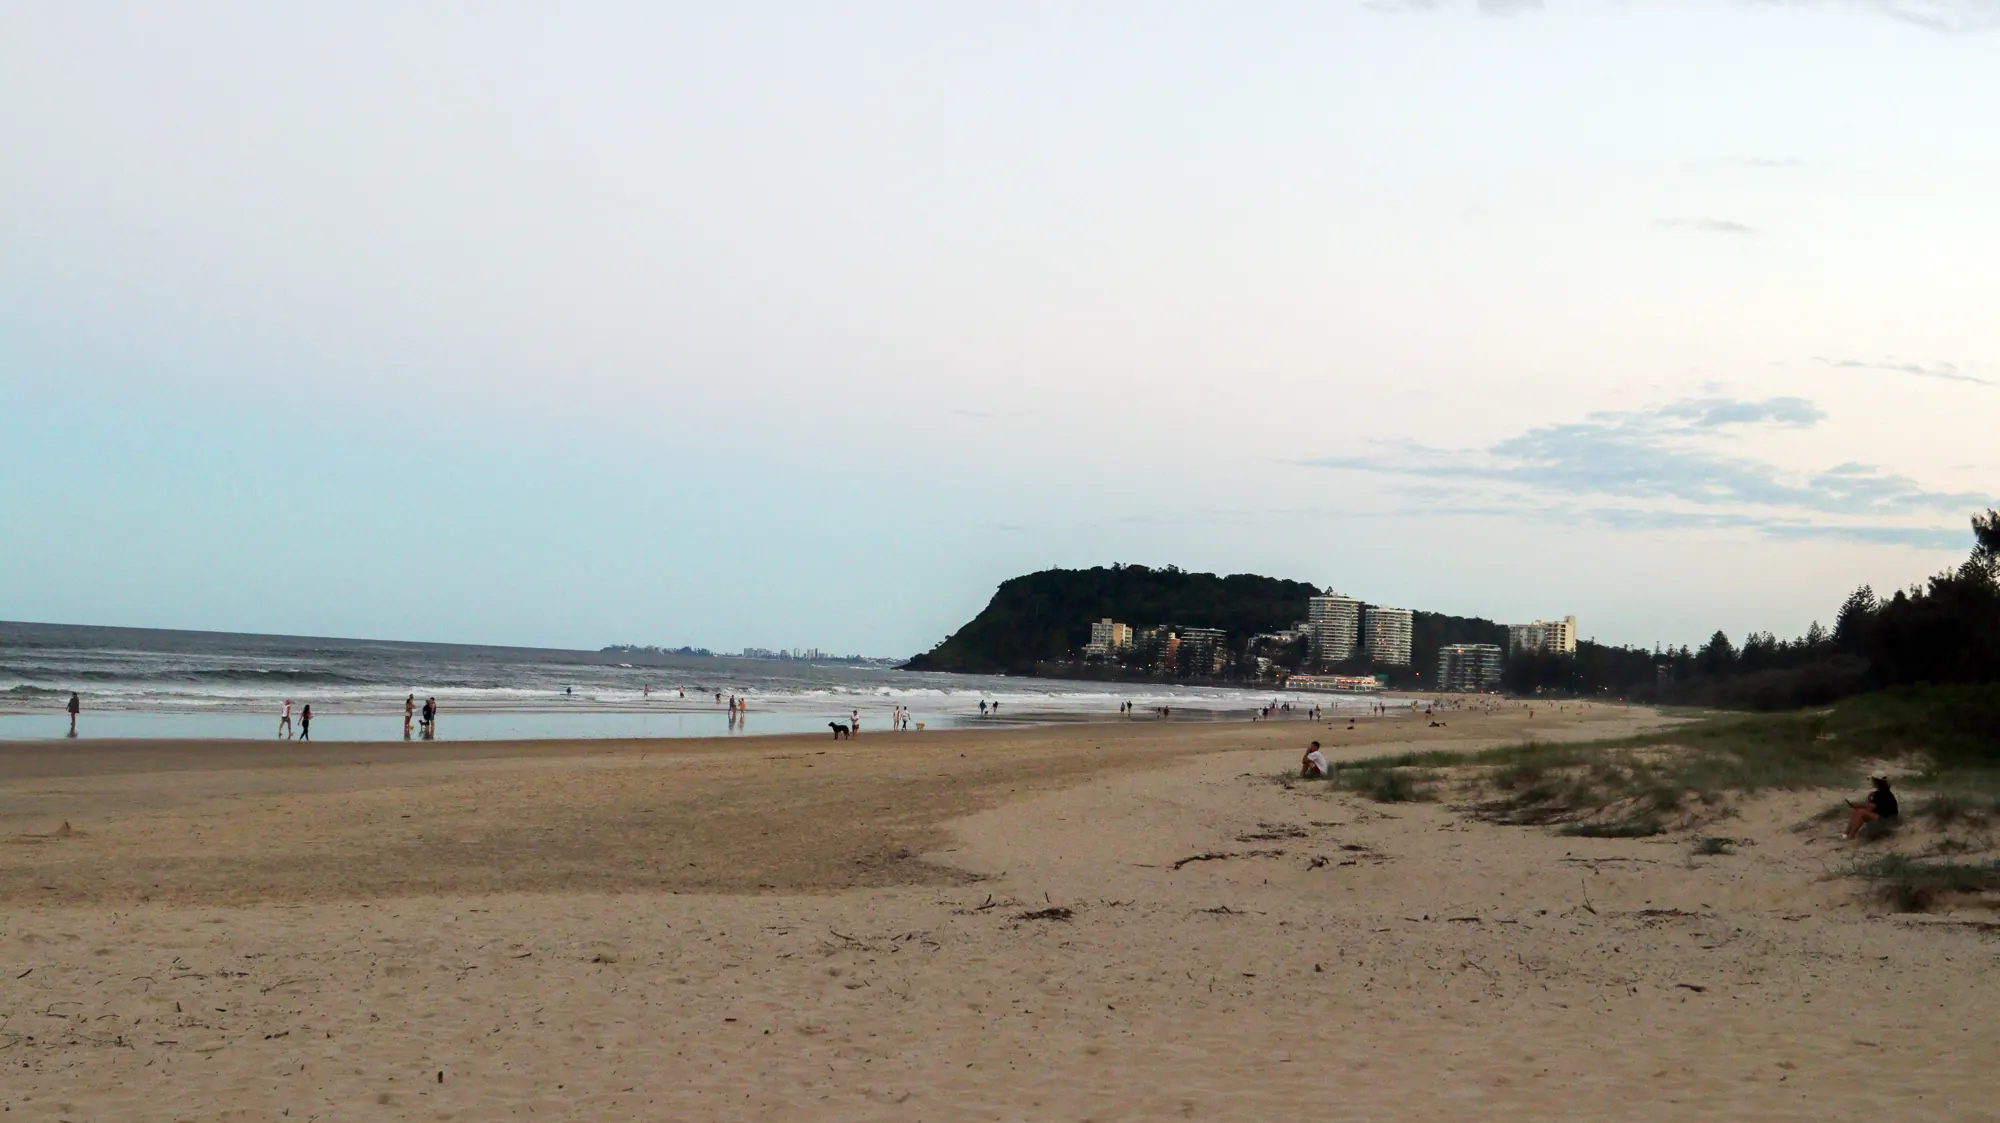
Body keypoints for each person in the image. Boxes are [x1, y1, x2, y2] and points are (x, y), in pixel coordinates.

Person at [1845, 773, 1899, 839]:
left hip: (1887, 821)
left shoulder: (1880, 794)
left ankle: (1851, 836)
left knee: (1860, 812)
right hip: (1888, 819)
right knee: (1857, 812)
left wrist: (1862, 803)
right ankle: (1845, 835)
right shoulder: (1884, 792)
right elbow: (1871, 807)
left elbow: (1868, 809)